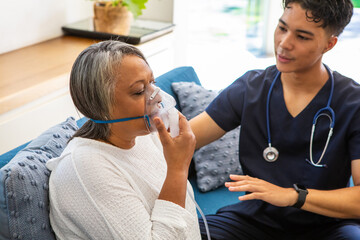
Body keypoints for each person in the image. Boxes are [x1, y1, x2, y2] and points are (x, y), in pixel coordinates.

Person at [190, 0, 360, 239]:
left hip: (328, 224)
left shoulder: (353, 103)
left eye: (302, 37)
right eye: (282, 28)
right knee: (188, 234)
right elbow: (184, 138)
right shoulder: (251, 88)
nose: (284, 43)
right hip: (255, 219)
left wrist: (293, 196)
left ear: (329, 44)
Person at [46, 41, 201, 239]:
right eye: (139, 91)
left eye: (153, 83)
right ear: (100, 107)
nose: (158, 97)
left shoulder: (143, 134)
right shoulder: (85, 168)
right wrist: (178, 169)